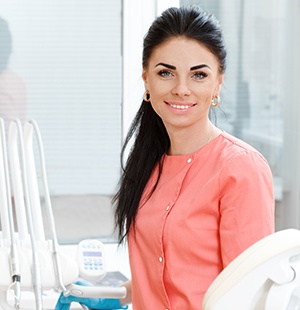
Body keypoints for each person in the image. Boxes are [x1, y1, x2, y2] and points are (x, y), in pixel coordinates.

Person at [56, 5, 274, 310]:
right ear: (146, 79)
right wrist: (113, 293)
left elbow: (249, 295)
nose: (181, 89)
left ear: (218, 83)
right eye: (166, 73)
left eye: (198, 75)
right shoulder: (147, 164)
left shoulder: (241, 169)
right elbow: (169, 277)